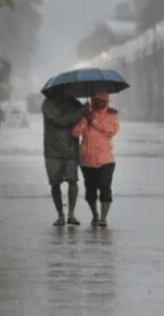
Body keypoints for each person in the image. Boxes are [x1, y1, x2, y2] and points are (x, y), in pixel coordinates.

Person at [71, 91, 120, 228]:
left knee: (105, 187)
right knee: (90, 190)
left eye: (101, 100)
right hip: (87, 160)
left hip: (106, 160)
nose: (99, 103)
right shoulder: (86, 116)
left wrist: (94, 121)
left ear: (106, 101)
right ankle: (95, 214)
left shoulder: (112, 114)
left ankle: (104, 217)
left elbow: (111, 130)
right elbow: (75, 133)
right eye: (96, 100)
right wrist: (83, 118)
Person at [42, 94, 86, 226]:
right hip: (53, 151)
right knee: (55, 183)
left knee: (73, 181)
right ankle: (60, 215)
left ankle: (71, 214)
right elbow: (61, 121)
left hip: (71, 150)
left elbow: (82, 122)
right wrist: (81, 112)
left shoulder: (75, 104)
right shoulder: (48, 105)